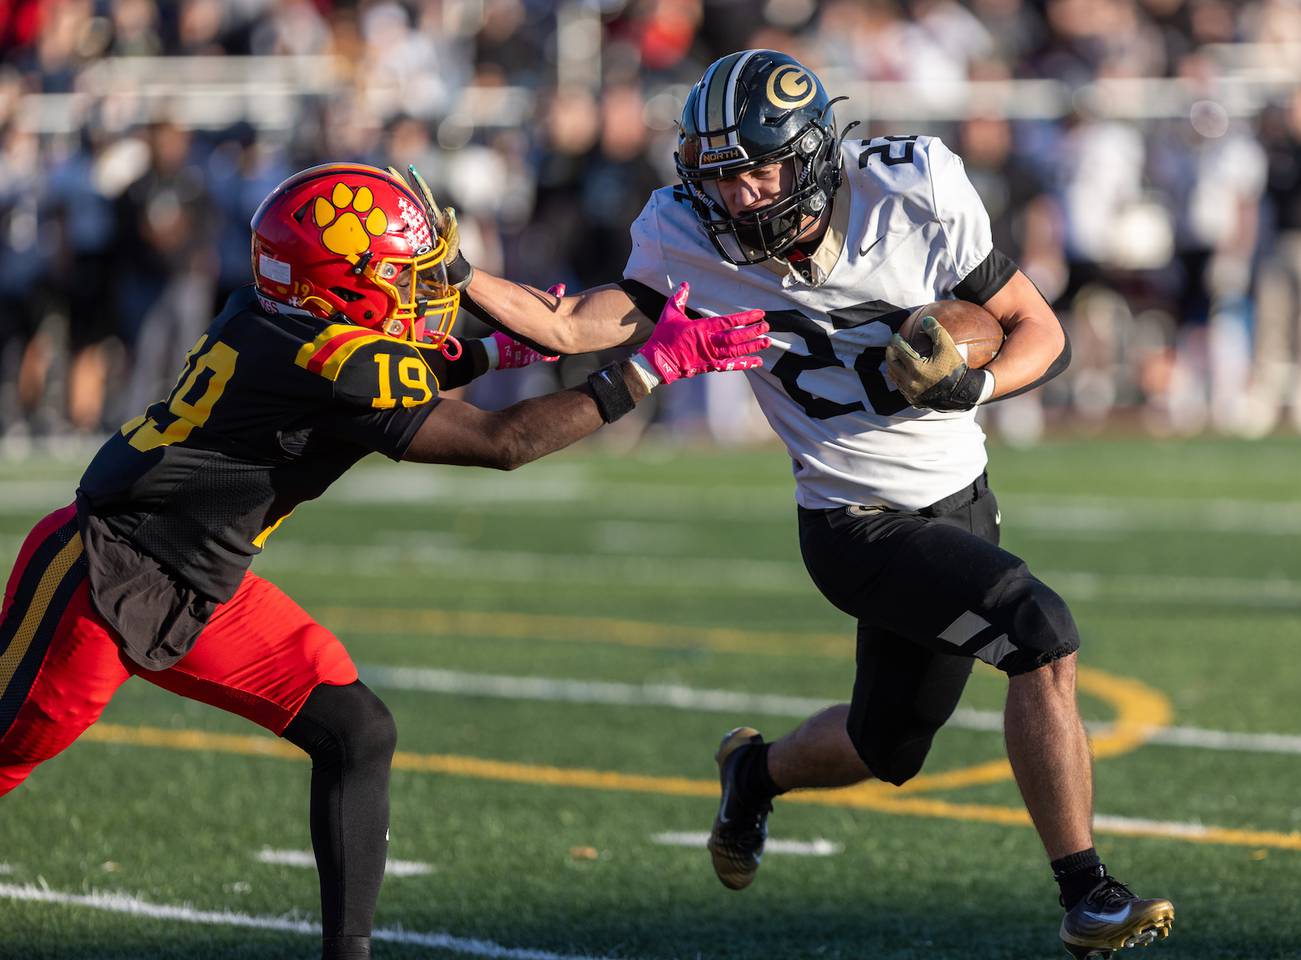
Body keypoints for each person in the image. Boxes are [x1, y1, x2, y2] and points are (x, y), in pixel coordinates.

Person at [453, 50, 1174, 959]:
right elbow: (567, 326)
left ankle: (754, 773)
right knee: (1040, 631)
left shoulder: (914, 189)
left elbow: (1043, 332)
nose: (744, 197)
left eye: (760, 169)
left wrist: (969, 388)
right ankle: (1088, 892)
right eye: (721, 178)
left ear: (814, 157)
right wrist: (456, 271)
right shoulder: (683, 231)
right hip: (850, 519)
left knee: (888, 747)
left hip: (959, 496)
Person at [0, 162, 769, 960]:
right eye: (404, 273)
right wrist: (648, 370)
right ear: (336, 284)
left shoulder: (273, 314)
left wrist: (497, 352)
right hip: (102, 575)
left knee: (356, 730)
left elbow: (378, 375)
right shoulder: (334, 356)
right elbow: (496, 443)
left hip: (205, 584)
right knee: (7, 754)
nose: (424, 286)